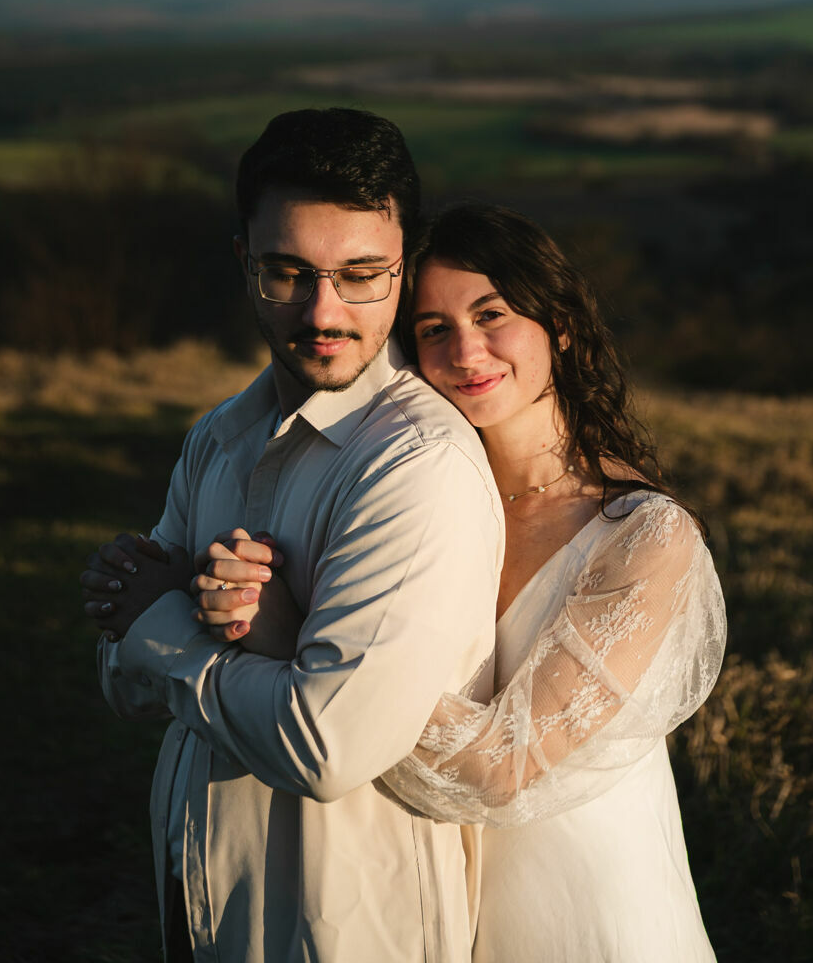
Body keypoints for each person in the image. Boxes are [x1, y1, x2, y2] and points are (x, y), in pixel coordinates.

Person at [203, 202, 726, 962]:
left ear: (562, 327)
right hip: (443, 882)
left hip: (586, 896)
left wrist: (307, 645)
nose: (467, 350)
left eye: (492, 314)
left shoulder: (643, 535)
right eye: (434, 329)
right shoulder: (436, 498)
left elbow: (504, 766)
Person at [80, 110, 505, 963]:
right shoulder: (218, 434)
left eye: (362, 276)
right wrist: (184, 633)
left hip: (341, 916)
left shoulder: (418, 468)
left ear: (405, 268)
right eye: (287, 273)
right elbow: (115, 679)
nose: (323, 312)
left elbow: (326, 746)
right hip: (195, 886)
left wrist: (165, 624)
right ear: (244, 259)